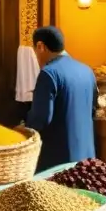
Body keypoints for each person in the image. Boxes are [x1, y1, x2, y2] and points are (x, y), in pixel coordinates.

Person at [26, 26, 98, 171]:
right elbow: (93, 110)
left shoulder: (48, 73)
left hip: (58, 160)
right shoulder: (87, 70)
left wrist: (24, 127)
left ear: (40, 46)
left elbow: (41, 119)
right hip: (87, 157)